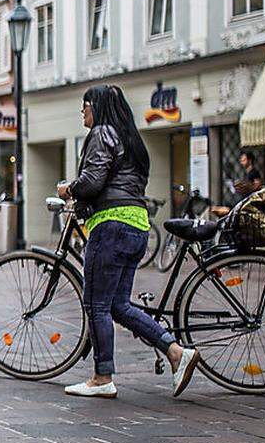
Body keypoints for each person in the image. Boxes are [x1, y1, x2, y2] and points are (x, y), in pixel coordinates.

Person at [56, 84, 199, 399]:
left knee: (95, 303)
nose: (83, 111)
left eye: (85, 105)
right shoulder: (132, 139)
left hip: (111, 225)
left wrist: (69, 188)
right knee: (118, 305)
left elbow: (93, 183)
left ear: (97, 106)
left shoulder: (102, 133)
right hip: (137, 225)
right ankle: (176, 352)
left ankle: (101, 377)